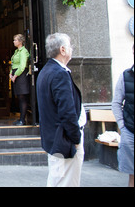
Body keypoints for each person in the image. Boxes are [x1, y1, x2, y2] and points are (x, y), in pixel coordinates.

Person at [36, 33, 86, 187]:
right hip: (64, 141)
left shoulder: (46, 71)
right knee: (66, 182)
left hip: (54, 140)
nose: (72, 49)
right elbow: (67, 112)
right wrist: (76, 139)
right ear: (63, 50)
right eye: (70, 46)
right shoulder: (59, 74)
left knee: (57, 181)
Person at [111, 45, 134, 187]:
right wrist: (122, 126)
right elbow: (116, 103)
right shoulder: (125, 76)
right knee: (132, 175)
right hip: (131, 132)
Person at [10, 34, 30, 125]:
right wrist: (11, 73)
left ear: (20, 41)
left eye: (15, 40)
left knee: (22, 97)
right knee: (19, 96)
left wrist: (15, 75)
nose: (14, 42)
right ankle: (21, 118)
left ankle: (22, 119)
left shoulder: (23, 51)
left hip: (21, 76)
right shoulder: (16, 51)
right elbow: (13, 63)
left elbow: (22, 66)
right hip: (16, 74)